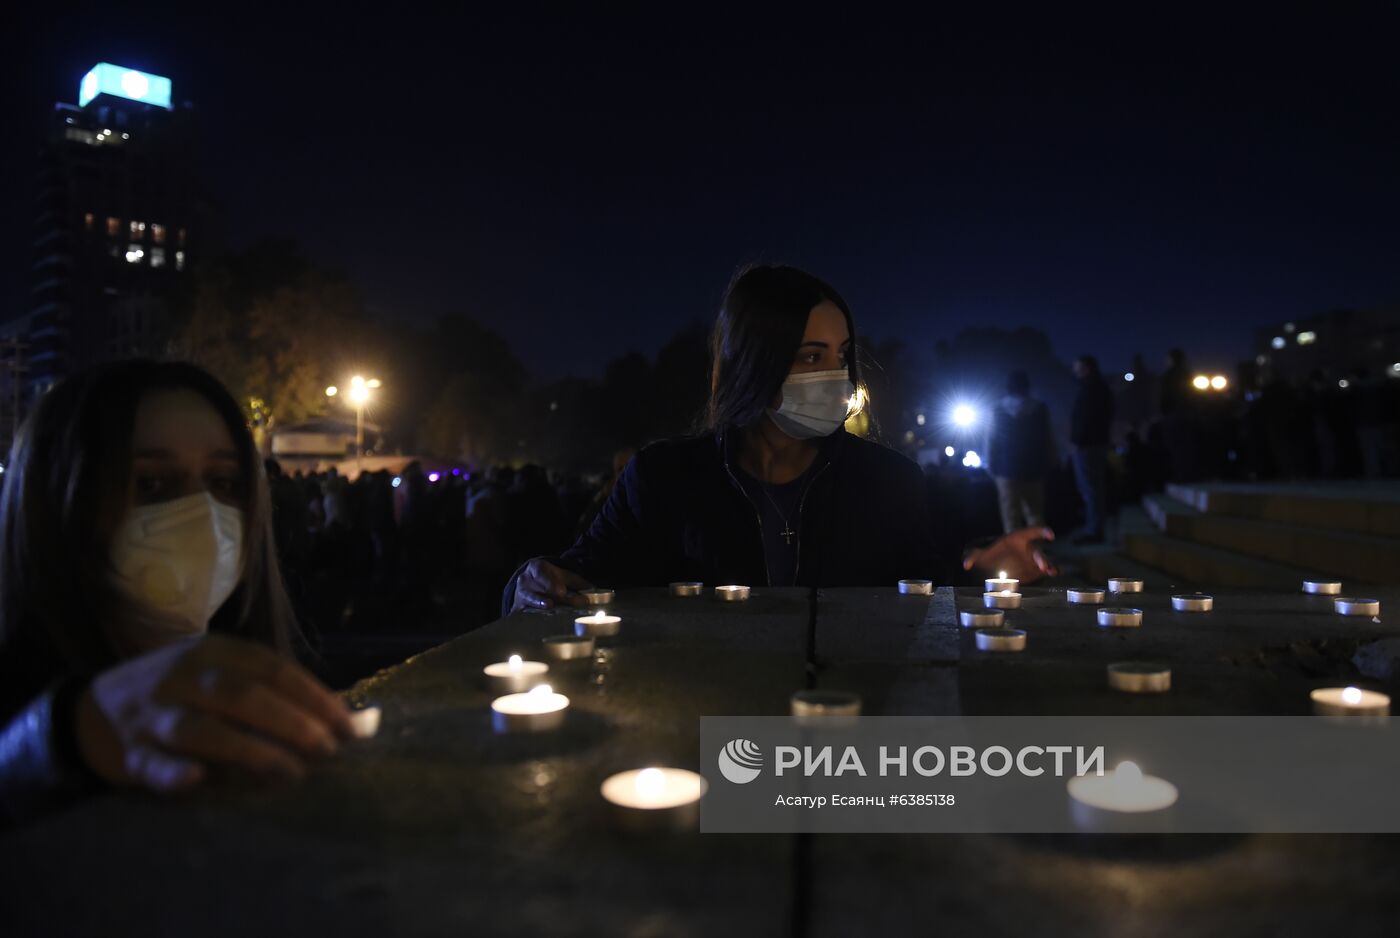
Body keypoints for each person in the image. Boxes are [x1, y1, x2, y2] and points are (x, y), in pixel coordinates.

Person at [506, 265, 1056, 612]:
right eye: (811, 356)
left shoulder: (887, 481)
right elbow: (575, 575)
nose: (835, 377)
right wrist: (531, 584)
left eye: (841, 357)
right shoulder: (663, 479)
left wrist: (981, 570)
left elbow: (923, 591)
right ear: (752, 362)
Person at [0, 360, 354, 823]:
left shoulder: (269, 690)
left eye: (223, 483)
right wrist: (70, 735)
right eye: (151, 483)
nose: (201, 516)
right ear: (57, 500)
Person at [985, 370, 1054, 534]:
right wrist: (1051, 461)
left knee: (1011, 518)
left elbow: (990, 439)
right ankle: (1037, 553)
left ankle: (1015, 556)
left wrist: (990, 464)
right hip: (1034, 467)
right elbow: (1048, 437)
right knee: (1035, 514)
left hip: (1005, 468)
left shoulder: (997, 409)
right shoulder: (1040, 408)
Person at [1069, 354, 1115, 544]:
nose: (1074, 370)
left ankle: (1094, 530)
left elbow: (1086, 418)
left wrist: (1078, 440)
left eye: (1077, 366)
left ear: (1086, 367)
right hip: (1094, 442)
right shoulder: (1098, 387)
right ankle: (1094, 528)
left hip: (1088, 444)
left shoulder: (1090, 388)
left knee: (1091, 488)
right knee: (1093, 487)